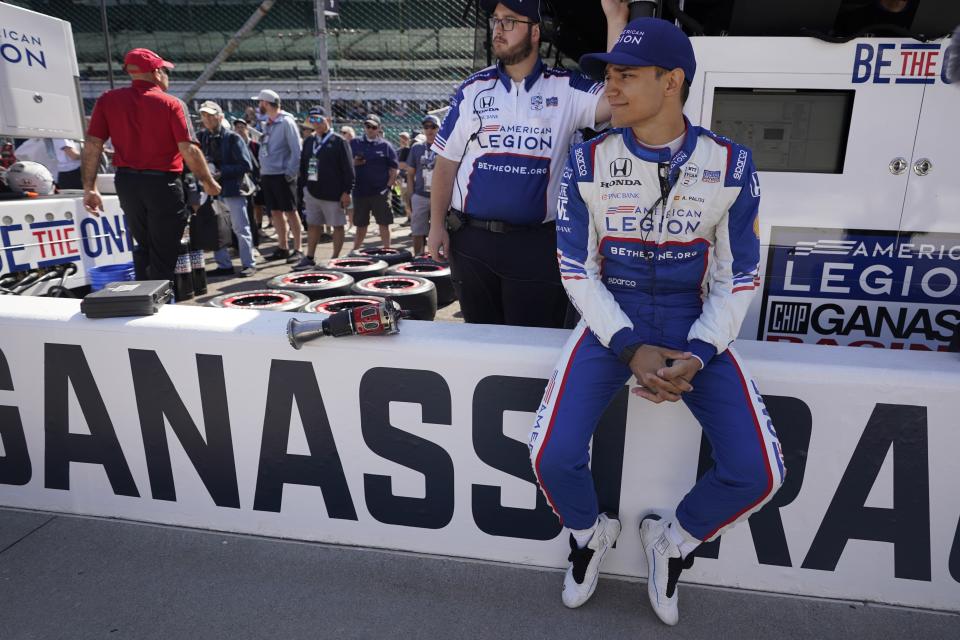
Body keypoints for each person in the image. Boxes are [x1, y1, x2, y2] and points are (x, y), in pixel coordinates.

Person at [528, 17, 785, 625]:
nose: (610, 88)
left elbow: (737, 276)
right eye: (608, 75)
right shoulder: (589, 158)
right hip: (610, 320)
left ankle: (673, 539)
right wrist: (627, 346)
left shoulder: (733, 164)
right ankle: (590, 534)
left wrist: (697, 353)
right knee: (552, 455)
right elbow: (574, 269)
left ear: (672, 82)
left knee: (758, 472)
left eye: (625, 75)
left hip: (693, 322)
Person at [426, 0, 625, 328]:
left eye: (509, 22)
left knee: (531, 351)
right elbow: (445, 164)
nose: (498, 30)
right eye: (495, 21)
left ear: (535, 32)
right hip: (471, 243)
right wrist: (435, 226)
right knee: (480, 344)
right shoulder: (473, 89)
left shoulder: (566, 87)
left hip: (536, 246)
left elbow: (617, 102)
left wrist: (615, 18)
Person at [82, 48, 220, 284]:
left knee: (145, 246)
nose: (167, 75)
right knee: (164, 252)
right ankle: (158, 305)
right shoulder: (171, 103)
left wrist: (89, 188)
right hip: (161, 184)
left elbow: (93, 145)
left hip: (127, 183)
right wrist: (208, 182)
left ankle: (145, 299)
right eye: (165, 70)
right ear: (157, 72)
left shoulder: (108, 100)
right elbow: (189, 149)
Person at [198, 101, 256, 278]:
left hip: (232, 189)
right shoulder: (203, 137)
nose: (206, 118)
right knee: (217, 228)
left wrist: (221, 172)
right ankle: (224, 265)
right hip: (212, 189)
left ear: (220, 116)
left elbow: (246, 165)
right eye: (204, 115)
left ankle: (249, 264)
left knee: (240, 227)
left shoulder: (233, 137)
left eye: (210, 115)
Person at [295, 106, 355, 268]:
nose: (316, 123)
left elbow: (348, 169)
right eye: (312, 120)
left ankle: (335, 258)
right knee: (313, 224)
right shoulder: (309, 141)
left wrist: (346, 191)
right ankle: (309, 256)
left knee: (337, 225)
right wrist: (303, 188)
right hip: (312, 191)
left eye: (319, 119)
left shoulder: (338, 141)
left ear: (327, 120)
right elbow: (303, 166)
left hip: (333, 192)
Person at [253, 88, 303, 264]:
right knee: (274, 212)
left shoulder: (286, 122)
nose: (258, 106)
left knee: (290, 211)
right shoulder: (268, 123)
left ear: (266, 103)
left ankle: (298, 248)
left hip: (282, 175)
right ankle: (283, 247)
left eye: (260, 102)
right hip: (268, 174)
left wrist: (289, 173)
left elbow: (296, 150)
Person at [350, 114, 399, 250]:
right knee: (360, 225)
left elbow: (394, 169)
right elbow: (346, 163)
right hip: (360, 191)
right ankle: (355, 251)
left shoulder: (386, 146)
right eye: (368, 126)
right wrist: (354, 163)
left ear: (379, 128)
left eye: (373, 127)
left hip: (380, 192)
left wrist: (387, 188)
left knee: (384, 224)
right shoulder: (354, 143)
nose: (370, 129)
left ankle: (387, 250)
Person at [405, 115, 440, 255]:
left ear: (439, 129)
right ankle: (418, 258)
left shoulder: (446, 146)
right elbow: (410, 174)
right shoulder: (417, 148)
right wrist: (411, 195)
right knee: (418, 230)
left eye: (433, 127)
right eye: (426, 127)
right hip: (420, 195)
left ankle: (440, 259)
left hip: (441, 197)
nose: (429, 130)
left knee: (441, 229)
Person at [232, 117, 264, 247]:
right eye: (237, 127)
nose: (239, 130)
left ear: (247, 129)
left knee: (251, 213)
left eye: (242, 127)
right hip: (237, 183)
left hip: (252, 182)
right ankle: (237, 245)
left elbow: (258, 164)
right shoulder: (232, 144)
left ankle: (254, 243)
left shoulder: (255, 145)